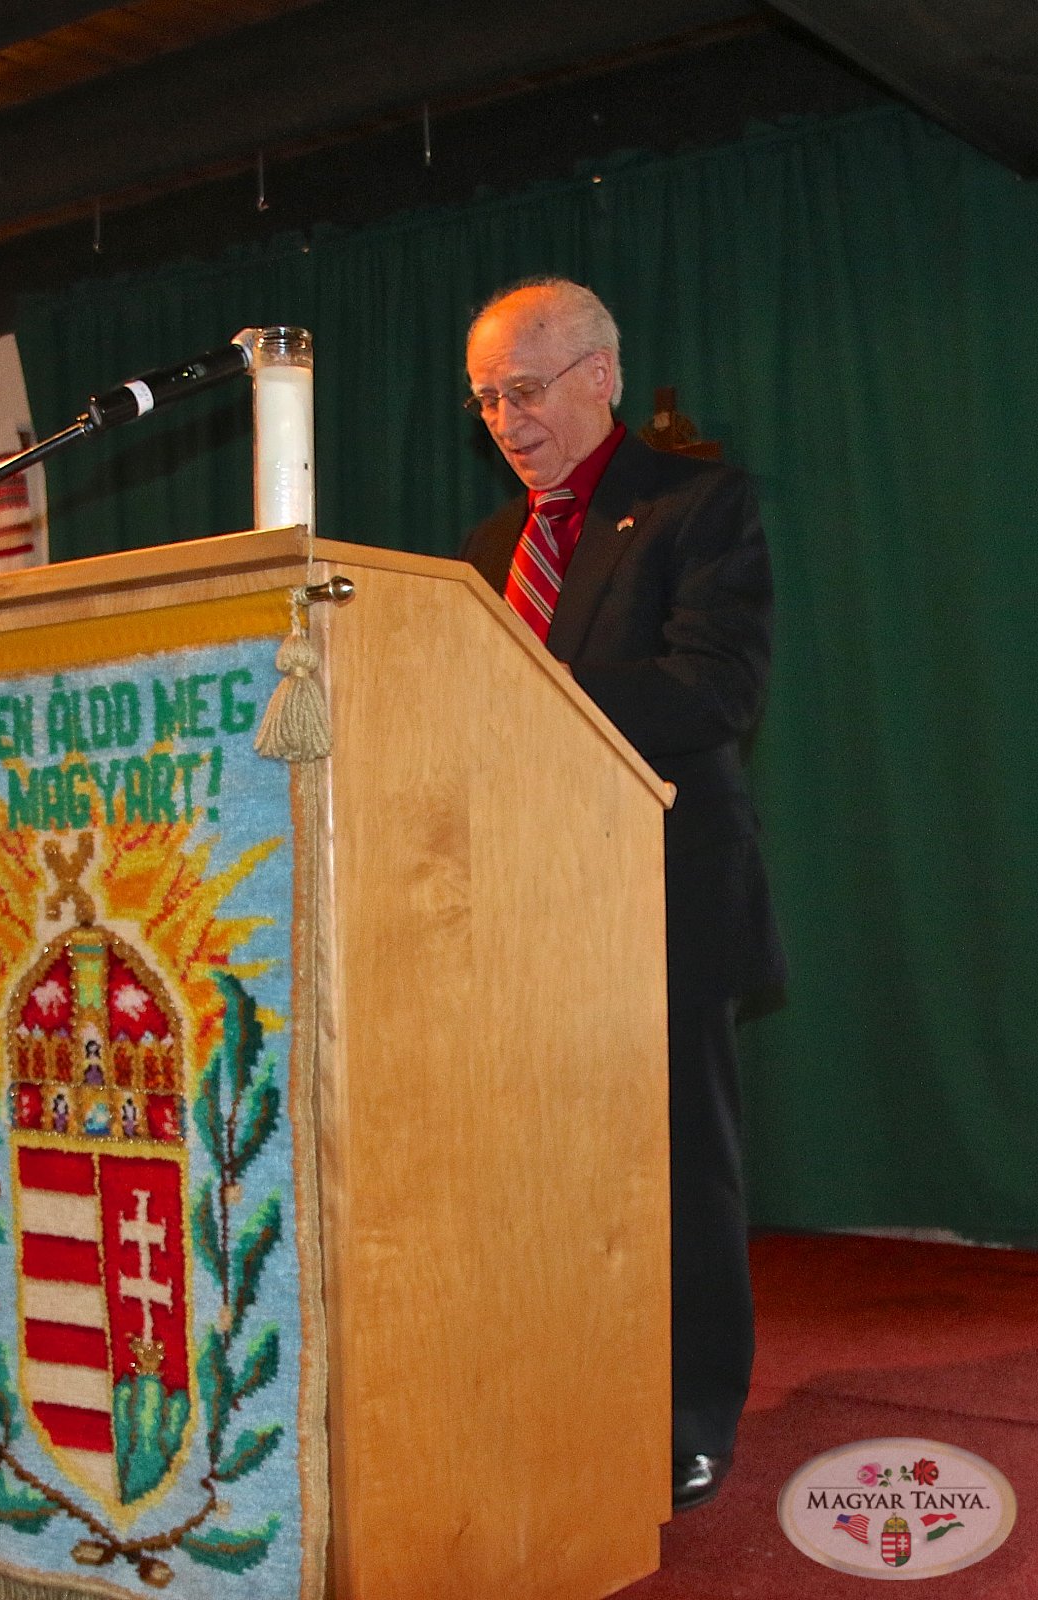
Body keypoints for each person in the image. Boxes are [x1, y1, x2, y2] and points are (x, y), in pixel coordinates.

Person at [461, 277, 786, 1511]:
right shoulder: (488, 548)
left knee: (682, 1170)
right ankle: (573, 1376)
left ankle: (694, 1413)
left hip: (664, 897)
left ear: (600, 375)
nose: (504, 416)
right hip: (527, 908)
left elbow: (714, 690)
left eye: (525, 389)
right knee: (551, 1166)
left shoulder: (701, 505)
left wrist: (525, 705)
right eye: (487, 397)